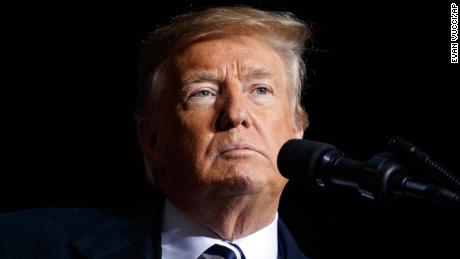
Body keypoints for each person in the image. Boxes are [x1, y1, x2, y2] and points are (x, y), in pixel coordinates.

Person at [0, 5, 311, 259]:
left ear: (296, 130)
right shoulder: (18, 242)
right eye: (203, 93)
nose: (236, 113)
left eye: (260, 90)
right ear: (153, 141)